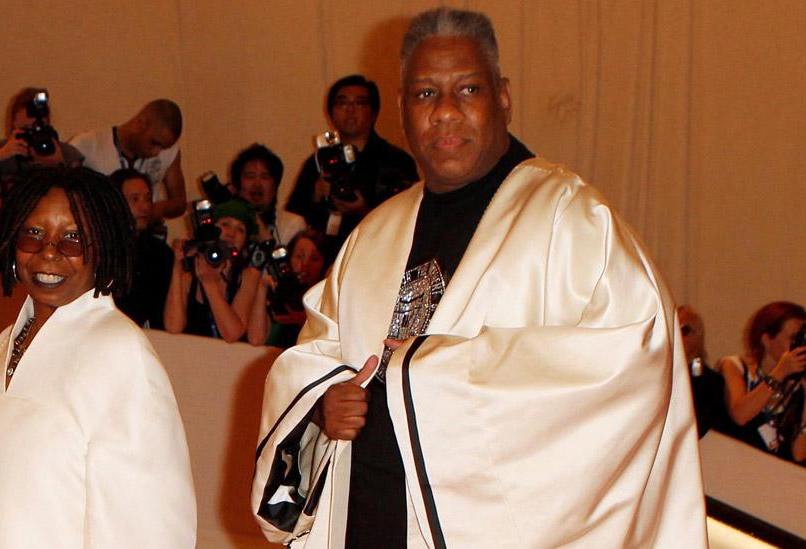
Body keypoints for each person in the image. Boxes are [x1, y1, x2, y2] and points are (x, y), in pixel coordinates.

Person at [252, 8, 706, 548]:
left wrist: (424, 374)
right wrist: (323, 406)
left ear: (503, 96)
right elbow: (317, 354)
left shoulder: (570, 220)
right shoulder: (373, 235)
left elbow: (633, 368)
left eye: (467, 90)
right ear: (401, 109)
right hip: (365, 521)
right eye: (424, 95)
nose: (445, 112)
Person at [0, 167, 196, 548]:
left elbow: (149, 528)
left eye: (73, 239)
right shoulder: (8, 342)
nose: (48, 252)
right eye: (33, 234)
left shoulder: (122, 354)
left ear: (102, 248)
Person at [285, 74, 418, 255]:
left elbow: (410, 219)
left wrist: (363, 211)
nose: (350, 110)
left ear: (373, 114)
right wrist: (315, 196)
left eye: (360, 103)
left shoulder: (396, 160)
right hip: (325, 259)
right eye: (342, 103)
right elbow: (293, 221)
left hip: (379, 254)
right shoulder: (318, 162)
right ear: (331, 113)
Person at [69, 99, 186, 234]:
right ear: (140, 124)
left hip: (147, 241)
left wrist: (152, 210)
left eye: (164, 147)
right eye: (154, 143)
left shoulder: (170, 153)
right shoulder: (87, 145)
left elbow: (180, 203)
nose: (156, 153)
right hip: (101, 239)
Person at [163, 200, 261, 342]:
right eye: (225, 224)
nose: (231, 233)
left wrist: (209, 282)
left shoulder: (248, 275)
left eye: (240, 229)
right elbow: (173, 327)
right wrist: (177, 267)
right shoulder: (189, 274)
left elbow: (232, 334)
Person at [718, 301, 806, 459]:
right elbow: (740, 414)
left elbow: (799, 455)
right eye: (793, 338)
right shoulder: (735, 366)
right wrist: (780, 371)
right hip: (735, 466)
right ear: (766, 339)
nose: (797, 346)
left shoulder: (796, 384)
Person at [110, 168, 174, 328]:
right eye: (135, 199)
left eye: (147, 199)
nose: (145, 207)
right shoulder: (100, 250)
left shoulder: (161, 252)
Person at [247, 228, 326, 347]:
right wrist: (262, 288)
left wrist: (302, 320)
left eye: (314, 258)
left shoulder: (327, 299)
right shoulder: (276, 292)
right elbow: (256, 339)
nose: (305, 264)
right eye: (299, 256)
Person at [227, 143, 305, 245]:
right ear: (237, 186)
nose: (257, 184)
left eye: (265, 177)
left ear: (275, 188)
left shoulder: (292, 224)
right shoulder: (224, 223)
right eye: (250, 176)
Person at [678, 304, 730, 438]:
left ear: (698, 336)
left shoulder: (710, 381)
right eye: (672, 328)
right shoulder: (654, 373)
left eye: (684, 330)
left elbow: (701, 425)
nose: (676, 335)